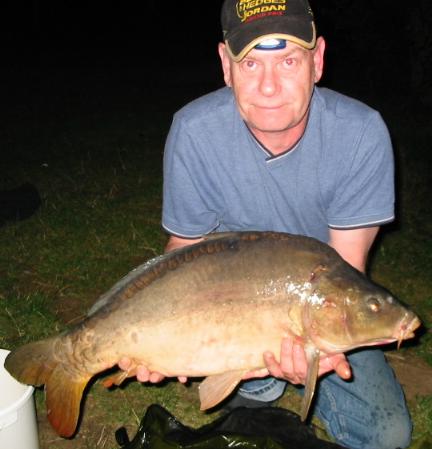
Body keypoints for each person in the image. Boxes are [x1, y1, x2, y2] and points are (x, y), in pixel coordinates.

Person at [120, 1, 411, 448]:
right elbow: (182, 251)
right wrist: (157, 335)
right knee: (252, 378)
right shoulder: (195, 131)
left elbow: (345, 275)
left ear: (317, 61)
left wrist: (321, 353)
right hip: (224, 304)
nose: (269, 86)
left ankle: (262, 388)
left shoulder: (360, 134)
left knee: (387, 435)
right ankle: (254, 391)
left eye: (289, 60)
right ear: (225, 66)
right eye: (251, 63)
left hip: (310, 305)